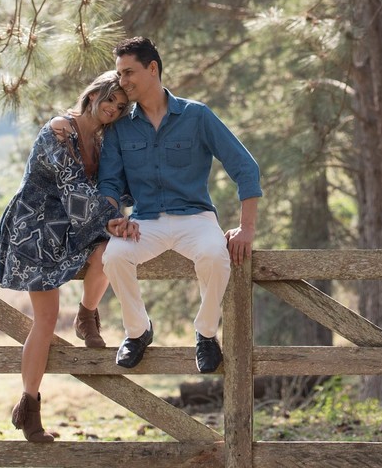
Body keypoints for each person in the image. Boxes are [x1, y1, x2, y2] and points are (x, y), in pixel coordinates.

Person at [97, 36, 261, 374]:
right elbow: (110, 183)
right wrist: (113, 217)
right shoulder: (119, 130)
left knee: (216, 256)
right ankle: (138, 331)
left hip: (195, 218)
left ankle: (205, 333)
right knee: (113, 256)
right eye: (119, 74)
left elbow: (245, 167)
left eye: (129, 73)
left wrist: (246, 228)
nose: (122, 81)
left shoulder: (196, 115)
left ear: (152, 68)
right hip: (146, 222)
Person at [0, 70, 137, 443]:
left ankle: (87, 314)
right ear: (92, 95)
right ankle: (29, 406)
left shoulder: (104, 141)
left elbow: (117, 185)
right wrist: (113, 221)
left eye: (121, 106)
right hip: (36, 228)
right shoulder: (58, 130)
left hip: (74, 227)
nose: (113, 109)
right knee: (46, 319)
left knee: (109, 252)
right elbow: (73, 188)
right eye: (109, 100)